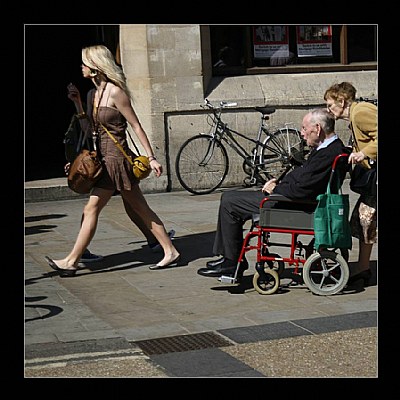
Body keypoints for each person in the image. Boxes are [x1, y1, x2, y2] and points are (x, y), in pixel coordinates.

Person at [45, 44, 180, 276]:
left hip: (118, 161)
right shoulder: (92, 94)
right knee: (136, 209)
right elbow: (90, 129)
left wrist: (152, 157)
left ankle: (72, 261)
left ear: (96, 67)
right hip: (104, 160)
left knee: (101, 208)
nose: (82, 67)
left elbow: (136, 126)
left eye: (85, 63)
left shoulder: (117, 92)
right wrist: (78, 104)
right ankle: (169, 249)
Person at [198, 108, 346, 278]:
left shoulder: (328, 153)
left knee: (230, 201)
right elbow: (305, 179)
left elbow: (304, 188)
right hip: (289, 196)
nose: (302, 133)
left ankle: (231, 261)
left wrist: (275, 189)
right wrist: (278, 183)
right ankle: (230, 258)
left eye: (304, 128)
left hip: (292, 203)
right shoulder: (329, 148)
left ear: (317, 129)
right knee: (231, 197)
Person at [324, 82, 377, 288]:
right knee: (363, 220)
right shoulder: (354, 115)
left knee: (365, 219)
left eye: (330, 105)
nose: (329, 110)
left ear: (342, 101)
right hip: (373, 181)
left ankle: (363, 268)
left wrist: (363, 153)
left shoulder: (360, 112)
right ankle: (363, 268)